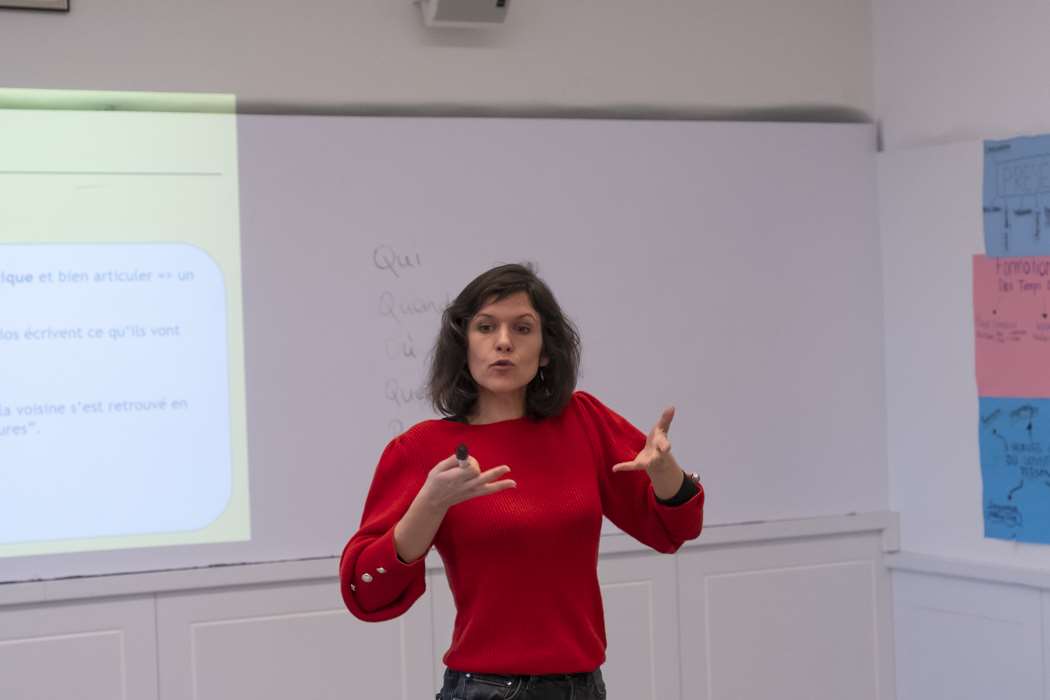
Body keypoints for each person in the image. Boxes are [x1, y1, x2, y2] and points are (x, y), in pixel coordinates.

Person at [340, 263, 704, 699]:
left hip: (584, 686)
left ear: (546, 350)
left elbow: (675, 530)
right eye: (486, 327)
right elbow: (367, 591)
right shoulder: (422, 448)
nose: (504, 342)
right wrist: (430, 505)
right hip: (487, 689)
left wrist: (665, 471)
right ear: (463, 344)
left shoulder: (583, 421)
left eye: (523, 328)